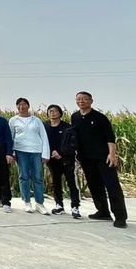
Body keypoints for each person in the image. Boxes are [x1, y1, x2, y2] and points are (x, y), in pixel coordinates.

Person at [72, 91, 127, 228]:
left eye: (84, 99)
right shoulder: (75, 117)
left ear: (91, 101)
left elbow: (110, 137)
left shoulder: (100, 117)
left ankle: (120, 216)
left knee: (112, 186)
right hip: (86, 158)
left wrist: (112, 154)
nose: (81, 101)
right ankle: (103, 211)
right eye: (78, 99)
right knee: (94, 186)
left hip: (103, 157)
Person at [9, 97, 50, 215]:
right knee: (24, 177)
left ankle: (39, 203)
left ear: (28, 106)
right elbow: (11, 137)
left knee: (38, 177)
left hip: (36, 151)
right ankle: (26, 202)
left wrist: (45, 153)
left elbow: (44, 136)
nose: (21, 107)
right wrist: (12, 153)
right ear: (17, 107)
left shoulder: (36, 120)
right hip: (21, 151)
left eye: (24, 104)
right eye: (19, 105)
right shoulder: (13, 120)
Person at [44, 104, 80, 218]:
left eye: (55, 111)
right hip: (51, 159)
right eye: (50, 111)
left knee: (71, 183)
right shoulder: (45, 127)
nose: (53, 113)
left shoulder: (68, 127)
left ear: (60, 113)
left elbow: (73, 144)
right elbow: (42, 142)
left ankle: (75, 206)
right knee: (56, 183)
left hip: (66, 159)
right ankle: (59, 205)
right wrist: (50, 153)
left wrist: (60, 153)